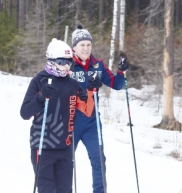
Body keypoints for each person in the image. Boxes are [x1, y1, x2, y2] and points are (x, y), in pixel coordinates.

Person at [21, 38, 94, 193]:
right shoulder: (40, 81)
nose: (66, 66)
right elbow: (25, 113)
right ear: (51, 60)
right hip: (43, 146)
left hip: (65, 148)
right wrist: (40, 98)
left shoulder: (73, 84)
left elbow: (86, 110)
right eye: (62, 61)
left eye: (69, 62)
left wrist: (91, 90)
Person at [70, 25, 129, 193]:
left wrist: (121, 72)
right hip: (71, 120)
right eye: (82, 45)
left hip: (91, 122)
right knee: (65, 161)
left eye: (88, 44)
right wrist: (83, 87)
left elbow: (116, 85)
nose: (86, 48)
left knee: (99, 159)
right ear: (74, 47)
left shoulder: (98, 65)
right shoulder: (68, 65)